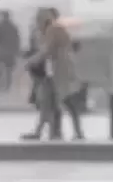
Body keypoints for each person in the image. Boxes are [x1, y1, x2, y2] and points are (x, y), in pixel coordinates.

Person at [26, 8, 85, 140]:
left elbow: (47, 50)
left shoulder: (53, 29)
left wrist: (31, 61)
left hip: (60, 70)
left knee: (66, 100)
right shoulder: (49, 30)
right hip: (54, 71)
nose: (37, 23)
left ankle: (77, 132)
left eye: (38, 20)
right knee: (48, 101)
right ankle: (41, 131)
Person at [0, 12, 19, 91]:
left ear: (3, 17)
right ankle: (7, 86)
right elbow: (17, 39)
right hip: (10, 51)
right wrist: (16, 50)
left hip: (2, 50)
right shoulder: (13, 27)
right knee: (8, 70)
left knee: (0, 67)